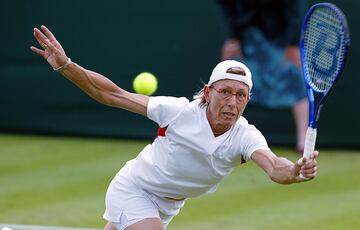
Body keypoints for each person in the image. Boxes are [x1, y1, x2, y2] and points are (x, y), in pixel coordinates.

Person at [31, 25, 318, 230]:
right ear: (208, 92)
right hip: (134, 189)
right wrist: (66, 65)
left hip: (168, 205)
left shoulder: (246, 135)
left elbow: (273, 166)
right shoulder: (178, 111)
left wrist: (294, 171)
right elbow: (113, 94)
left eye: (240, 95)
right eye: (225, 92)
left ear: (247, 100)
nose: (232, 101)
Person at [217, 0, 309, 153]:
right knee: (233, 83)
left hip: (281, 34)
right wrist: (233, 37)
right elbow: (227, 6)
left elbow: (295, 6)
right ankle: (225, 137)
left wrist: (293, 43)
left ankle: (304, 142)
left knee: (296, 80)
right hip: (246, 34)